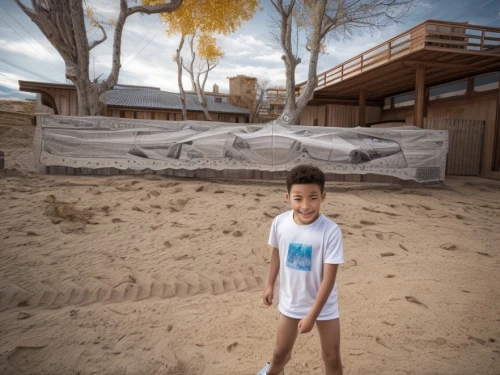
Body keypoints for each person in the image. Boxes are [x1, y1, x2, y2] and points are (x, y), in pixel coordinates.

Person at [258, 164, 344, 375]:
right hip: (291, 302)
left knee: (332, 358)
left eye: (313, 197)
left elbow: (328, 279)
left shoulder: (331, 231)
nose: (306, 205)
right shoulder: (280, 223)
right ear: (287, 197)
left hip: (323, 306)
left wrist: (313, 315)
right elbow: (278, 253)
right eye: (298, 198)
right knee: (280, 354)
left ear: (323, 196)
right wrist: (270, 284)